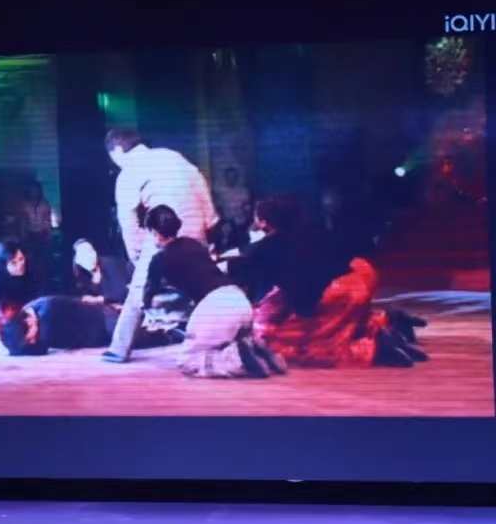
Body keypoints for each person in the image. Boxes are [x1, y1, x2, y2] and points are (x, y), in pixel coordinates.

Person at [228, 196, 425, 368]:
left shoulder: (265, 248)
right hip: (359, 276)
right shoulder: (314, 230)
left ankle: (374, 347)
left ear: (264, 222)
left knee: (301, 347)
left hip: (336, 293)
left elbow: (242, 268)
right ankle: (383, 323)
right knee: (338, 323)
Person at [103, 128, 220, 362]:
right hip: (196, 229)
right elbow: (201, 189)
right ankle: (218, 338)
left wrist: (137, 257)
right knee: (204, 286)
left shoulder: (129, 172)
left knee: (139, 291)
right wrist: (208, 225)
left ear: (117, 151)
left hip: (164, 230)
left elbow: (129, 223)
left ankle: (119, 348)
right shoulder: (174, 157)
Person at [143, 205, 285, 378]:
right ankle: (256, 350)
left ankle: (239, 359)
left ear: (154, 232)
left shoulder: (159, 259)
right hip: (238, 298)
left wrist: (146, 307)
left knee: (189, 361)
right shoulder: (193, 244)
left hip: (216, 306)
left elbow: (149, 294)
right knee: (219, 343)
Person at [0, 295, 113, 356]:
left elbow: (40, 350)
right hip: (104, 322)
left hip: (106, 325)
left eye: (29, 338)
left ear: (28, 322)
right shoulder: (35, 307)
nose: (32, 341)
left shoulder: (47, 318)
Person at [0, 239, 34, 338]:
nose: (20, 265)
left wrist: (33, 322)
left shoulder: (31, 267)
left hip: (30, 305)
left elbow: (39, 298)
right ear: (4, 265)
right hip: (9, 307)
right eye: (14, 263)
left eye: (21, 259)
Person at [22, 181, 54, 294]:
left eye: (35, 189)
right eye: (32, 189)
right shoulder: (25, 204)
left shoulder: (44, 203)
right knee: (31, 262)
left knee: (43, 262)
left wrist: (49, 234)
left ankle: (44, 288)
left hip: (42, 234)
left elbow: (48, 220)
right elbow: (23, 222)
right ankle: (32, 288)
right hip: (30, 235)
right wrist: (23, 236)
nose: (33, 192)